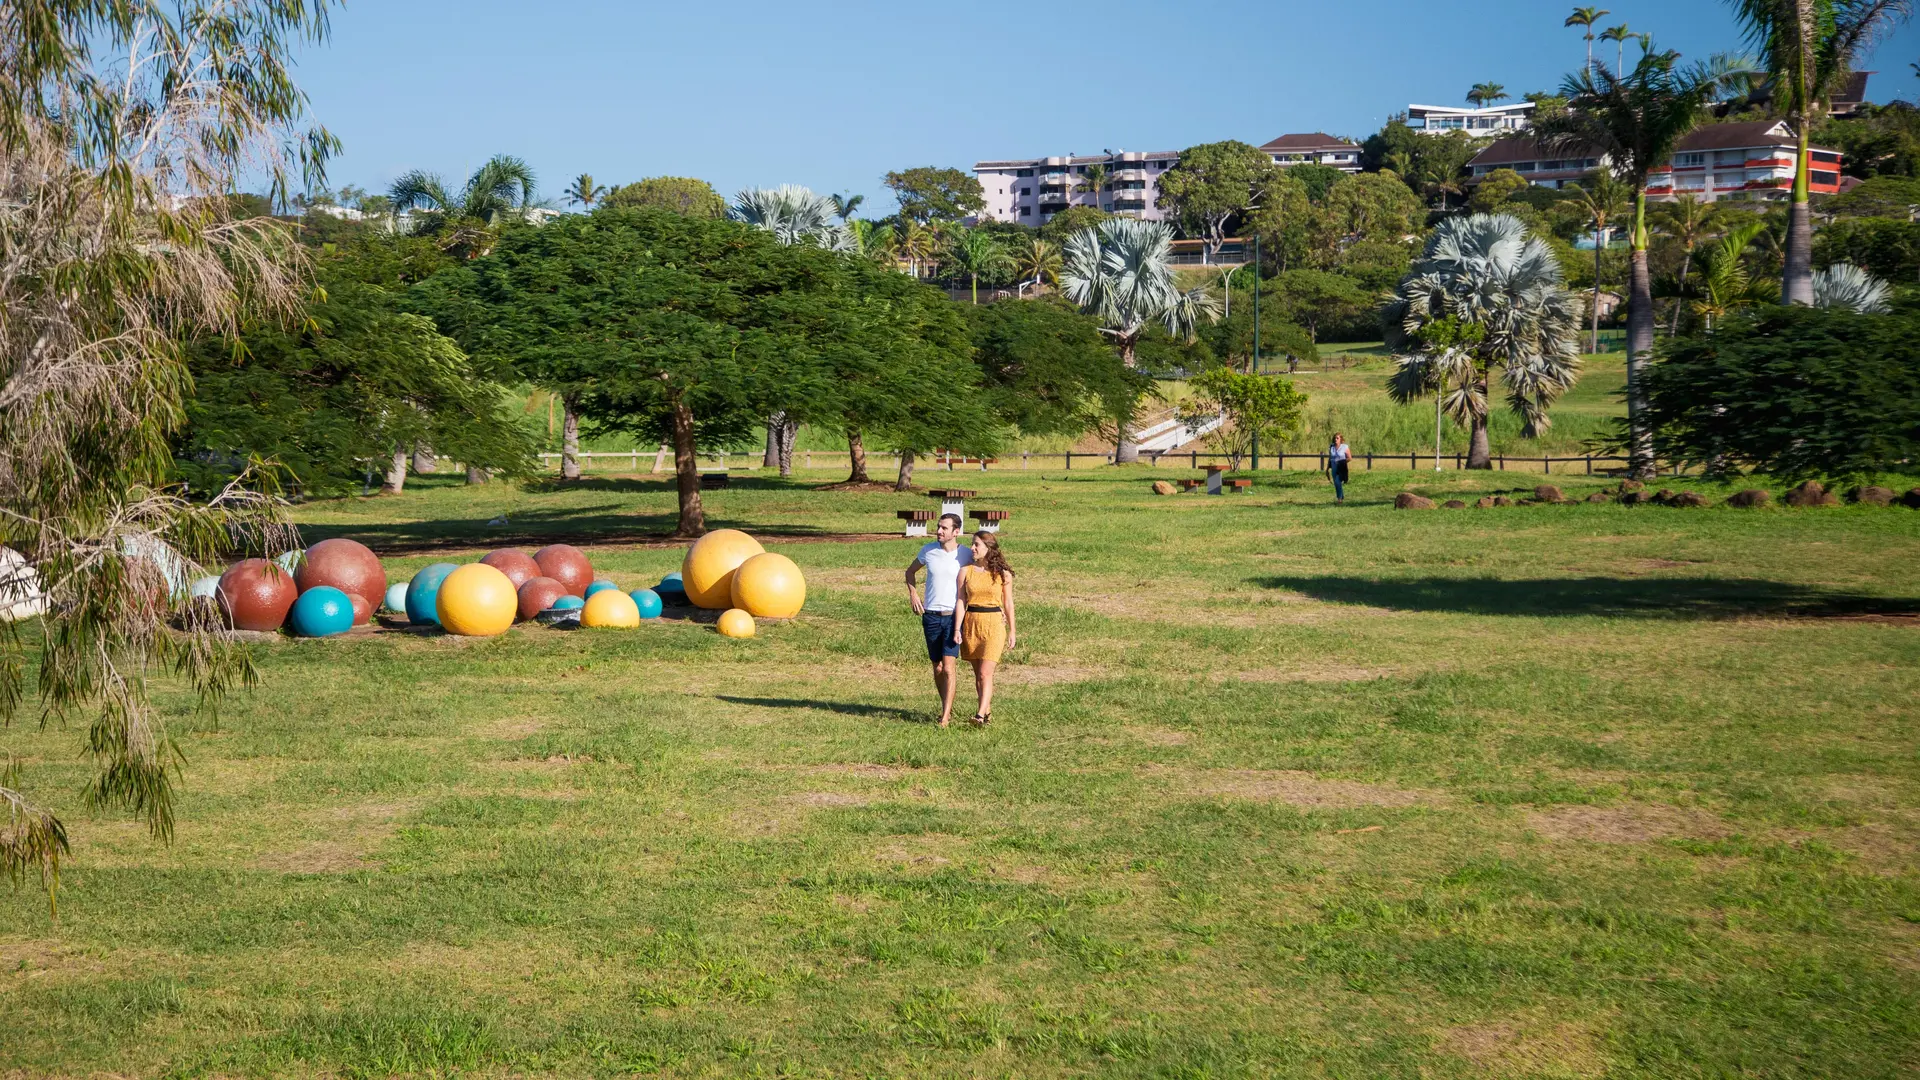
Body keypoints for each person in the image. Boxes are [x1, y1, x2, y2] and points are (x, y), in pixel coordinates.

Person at [904, 513, 971, 727]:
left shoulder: (966, 555)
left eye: (944, 528)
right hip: (931, 616)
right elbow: (910, 572)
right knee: (938, 668)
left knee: (949, 667)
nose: (939, 531)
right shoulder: (928, 551)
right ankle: (946, 706)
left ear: (956, 532)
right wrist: (913, 594)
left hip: (954, 617)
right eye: (938, 527)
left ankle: (945, 717)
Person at [952, 532, 1017, 727]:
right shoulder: (966, 571)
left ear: (988, 548)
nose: (972, 548)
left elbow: (1008, 603)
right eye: (972, 544)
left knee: (985, 673)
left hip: (994, 624)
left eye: (977, 545)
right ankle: (986, 712)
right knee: (977, 674)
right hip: (972, 623)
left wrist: (1013, 630)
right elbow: (961, 600)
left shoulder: (1001, 574)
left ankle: (979, 715)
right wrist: (957, 628)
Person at [1328, 432, 1351, 503]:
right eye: (1335, 438)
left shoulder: (1345, 447)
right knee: (1336, 484)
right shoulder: (1331, 447)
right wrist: (1327, 469)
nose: (1335, 439)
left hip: (1341, 468)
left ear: (1340, 439)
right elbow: (1330, 458)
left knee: (1338, 482)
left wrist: (1341, 462)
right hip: (1333, 469)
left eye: (1337, 438)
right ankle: (1341, 496)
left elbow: (1349, 458)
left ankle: (1339, 499)